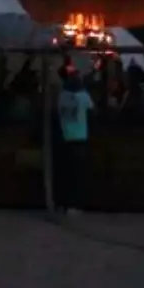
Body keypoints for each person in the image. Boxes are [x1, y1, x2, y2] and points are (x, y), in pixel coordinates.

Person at [54, 66, 95, 215]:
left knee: (64, 173)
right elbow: (92, 111)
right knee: (77, 175)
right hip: (79, 138)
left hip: (64, 137)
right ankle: (73, 204)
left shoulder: (62, 95)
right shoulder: (83, 96)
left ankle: (61, 203)